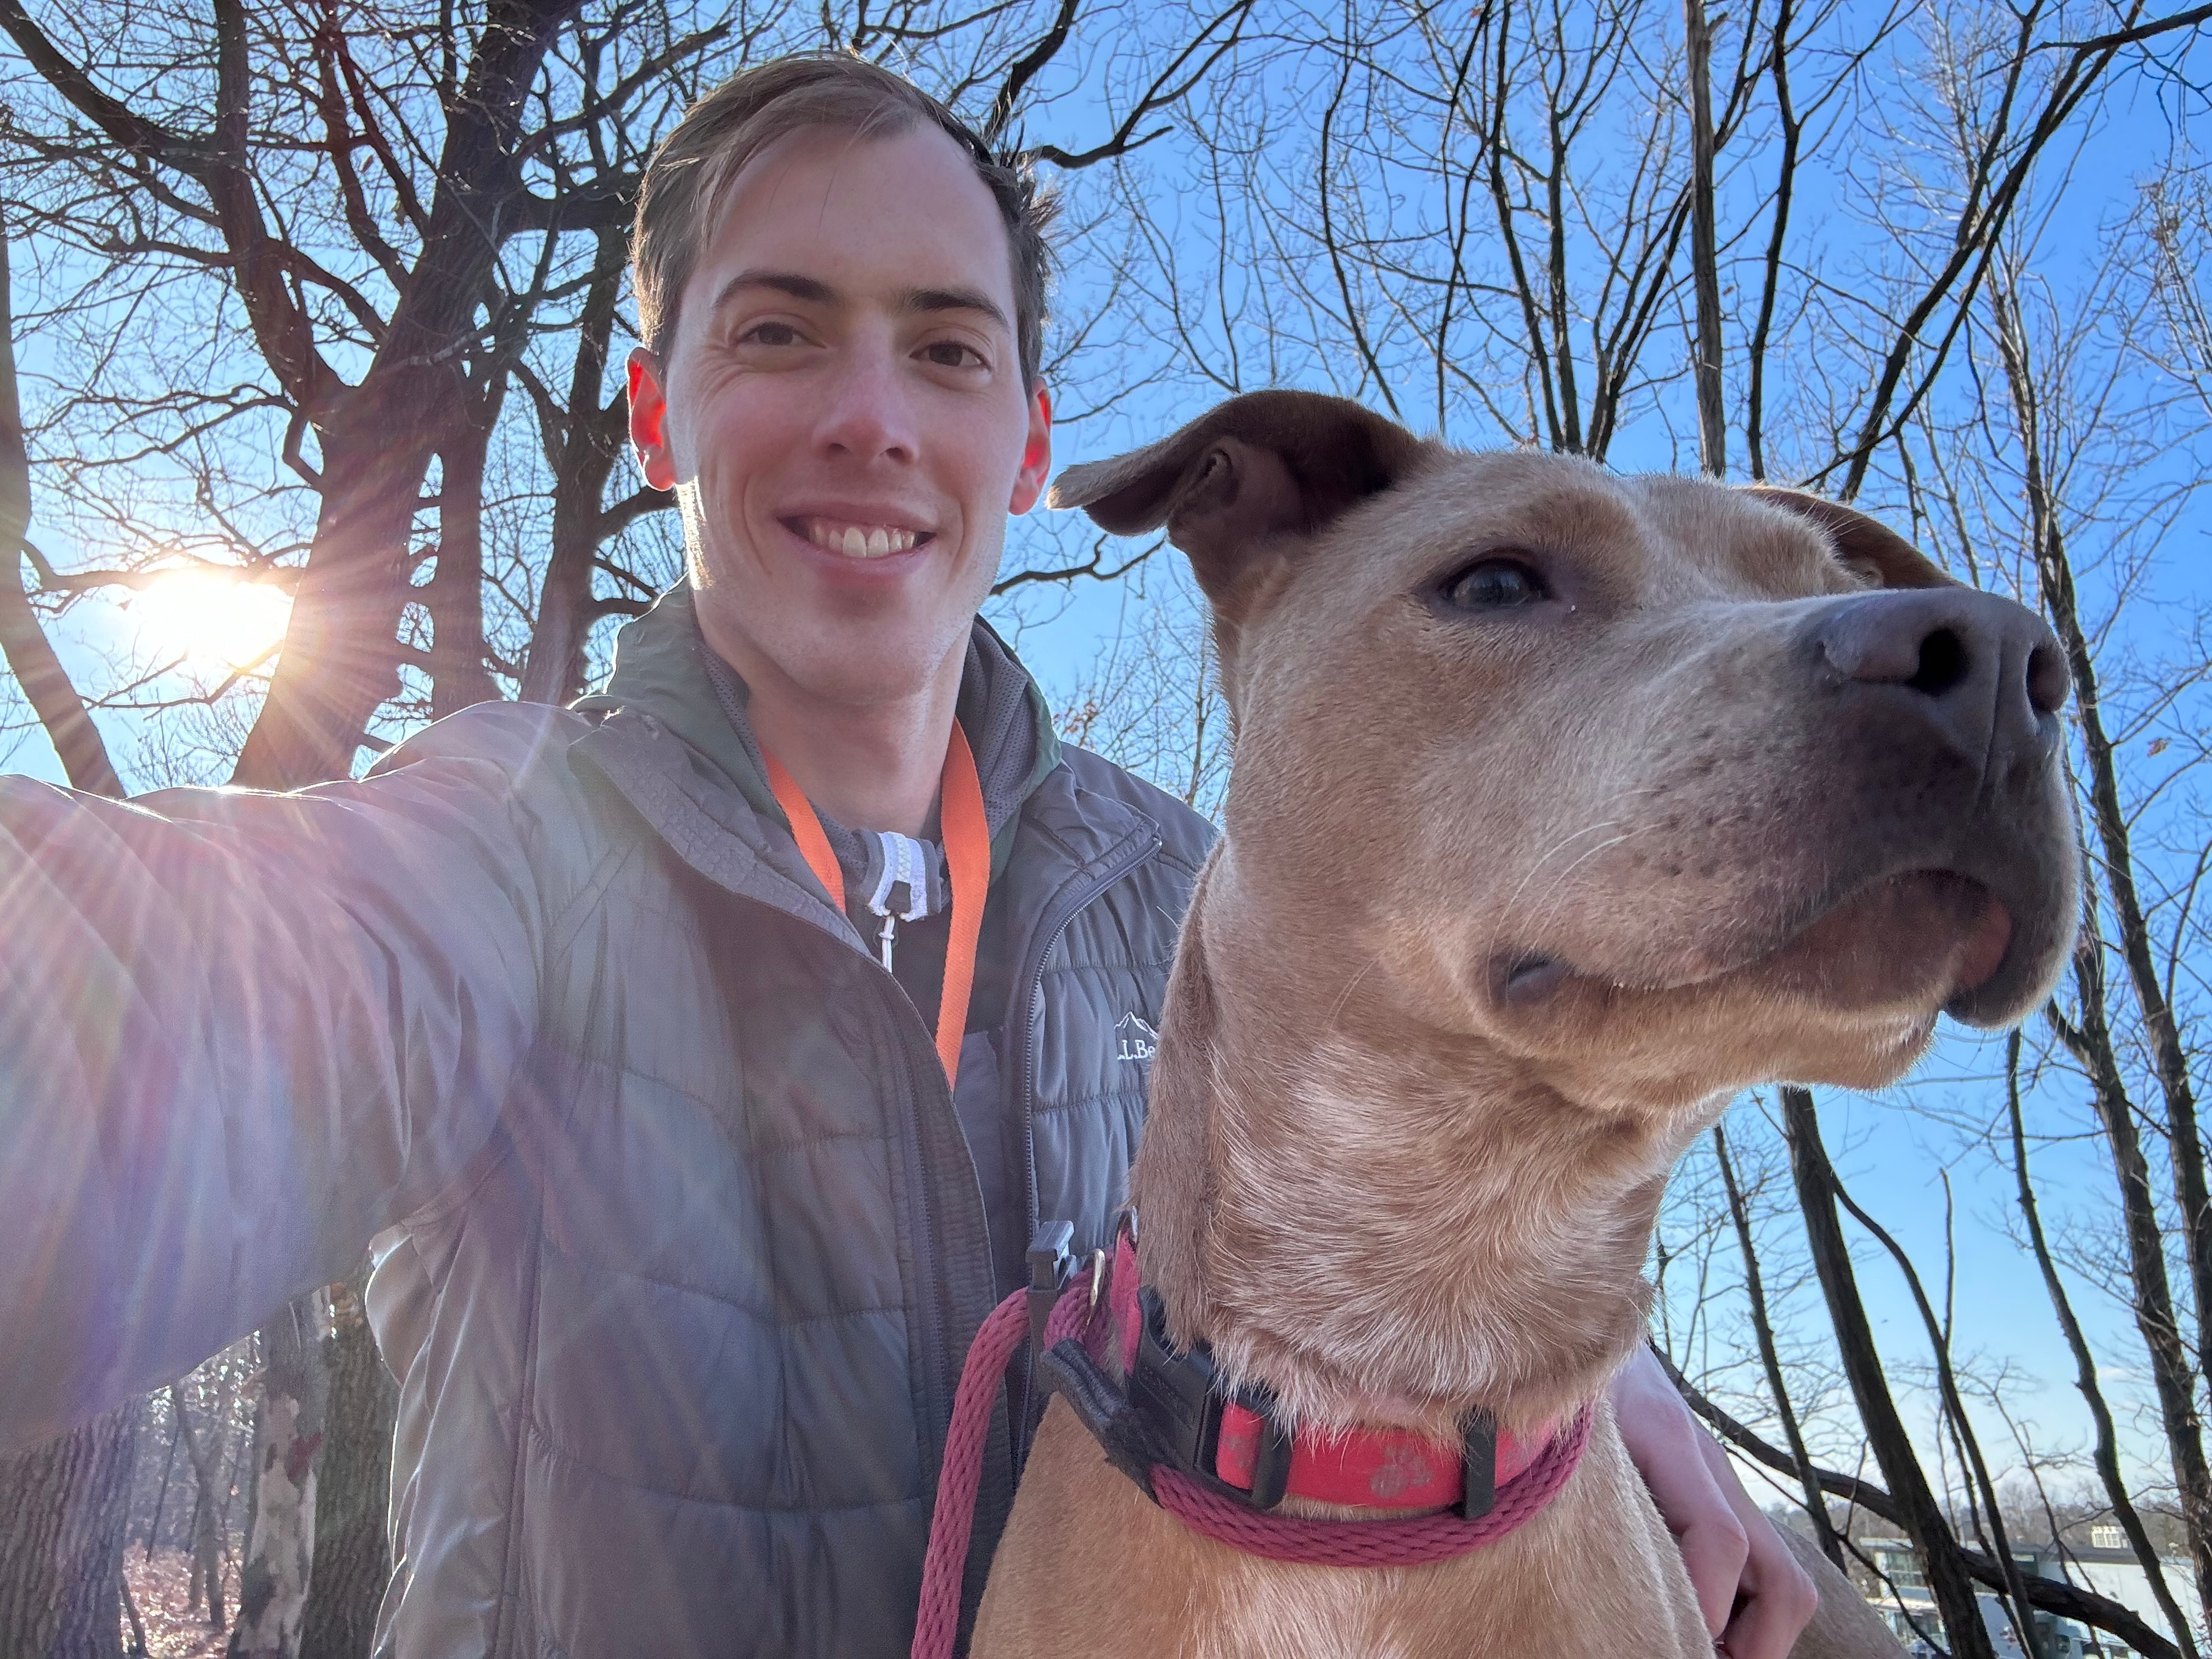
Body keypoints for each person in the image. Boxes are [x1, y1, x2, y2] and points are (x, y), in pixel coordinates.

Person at [0, 54, 1814, 1659]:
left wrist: (1606, 1384)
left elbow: (1463, 1118)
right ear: (656, 420)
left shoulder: (1195, 876)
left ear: (1023, 447)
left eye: (945, 347)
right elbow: (144, 1007)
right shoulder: (500, 839)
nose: (872, 413)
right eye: (779, 331)